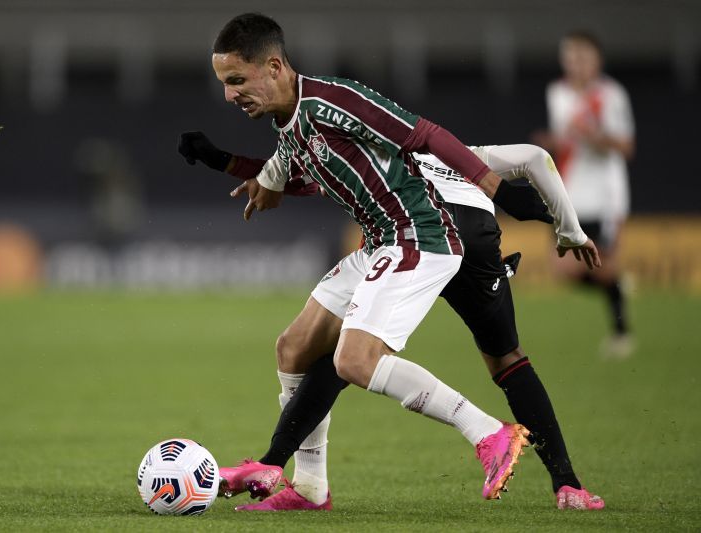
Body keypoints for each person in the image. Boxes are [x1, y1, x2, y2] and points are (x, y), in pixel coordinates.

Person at [180, 133, 605, 511]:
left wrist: (223, 160)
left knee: (348, 351)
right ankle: (568, 485)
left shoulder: (368, 157)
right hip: (471, 235)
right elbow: (535, 158)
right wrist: (570, 230)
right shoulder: (455, 153)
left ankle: (487, 434)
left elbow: (299, 179)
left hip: (409, 234)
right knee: (506, 361)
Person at [534, 30, 635, 358]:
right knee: (563, 270)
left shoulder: (610, 95)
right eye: (571, 58)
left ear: (596, 60)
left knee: (600, 265)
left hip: (604, 196)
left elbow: (625, 146)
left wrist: (592, 135)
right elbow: (567, 143)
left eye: (582, 58)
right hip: (568, 193)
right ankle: (618, 283)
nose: (576, 64)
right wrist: (551, 143)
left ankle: (621, 333)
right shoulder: (557, 93)